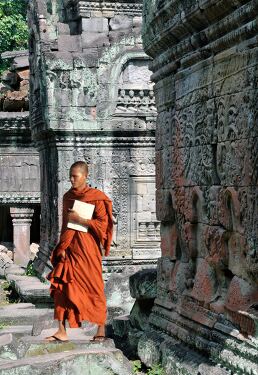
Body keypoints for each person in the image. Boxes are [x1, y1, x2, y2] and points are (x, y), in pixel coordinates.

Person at [46, 161, 113, 342]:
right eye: (70, 176)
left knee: (95, 287)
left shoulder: (97, 197)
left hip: (88, 250)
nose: (71, 179)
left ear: (85, 176)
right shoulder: (68, 196)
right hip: (70, 249)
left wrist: (81, 219)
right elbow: (66, 226)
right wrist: (62, 247)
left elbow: (102, 226)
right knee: (61, 287)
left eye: (75, 176)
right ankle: (61, 330)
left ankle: (100, 329)